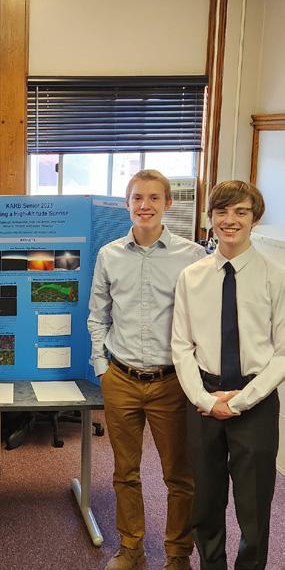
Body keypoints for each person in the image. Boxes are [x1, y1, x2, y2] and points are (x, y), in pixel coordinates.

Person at [88, 169, 205, 570]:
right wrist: (101, 367)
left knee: (179, 476)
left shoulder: (192, 257)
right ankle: (131, 548)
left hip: (170, 382)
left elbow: (202, 320)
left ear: (168, 203)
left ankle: (177, 554)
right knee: (125, 472)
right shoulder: (109, 255)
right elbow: (97, 316)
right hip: (121, 378)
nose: (145, 206)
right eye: (137, 198)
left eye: (154, 198)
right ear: (127, 204)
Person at [172, 180, 284, 570]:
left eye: (241, 212)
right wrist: (205, 400)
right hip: (204, 397)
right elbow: (181, 346)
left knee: (253, 506)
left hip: (256, 401)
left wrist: (240, 402)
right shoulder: (192, 277)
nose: (230, 220)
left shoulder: (276, 276)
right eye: (221, 211)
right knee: (205, 500)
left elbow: (283, 352)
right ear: (210, 218)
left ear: (255, 219)